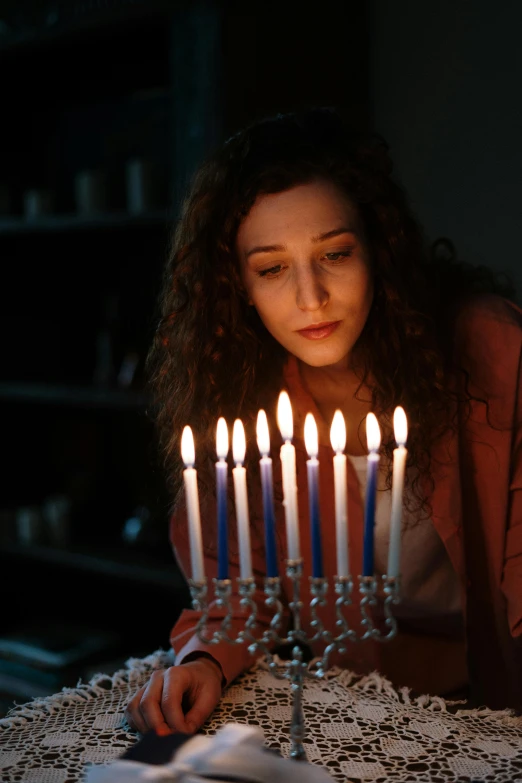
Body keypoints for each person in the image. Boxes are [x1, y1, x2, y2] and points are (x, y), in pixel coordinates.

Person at [125, 106, 522, 737]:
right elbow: (238, 589)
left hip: (497, 709)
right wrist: (203, 657)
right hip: (357, 712)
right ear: (238, 286)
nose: (311, 299)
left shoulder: (489, 353)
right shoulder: (238, 408)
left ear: (378, 251)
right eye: (273, 268)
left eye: (334, 253)